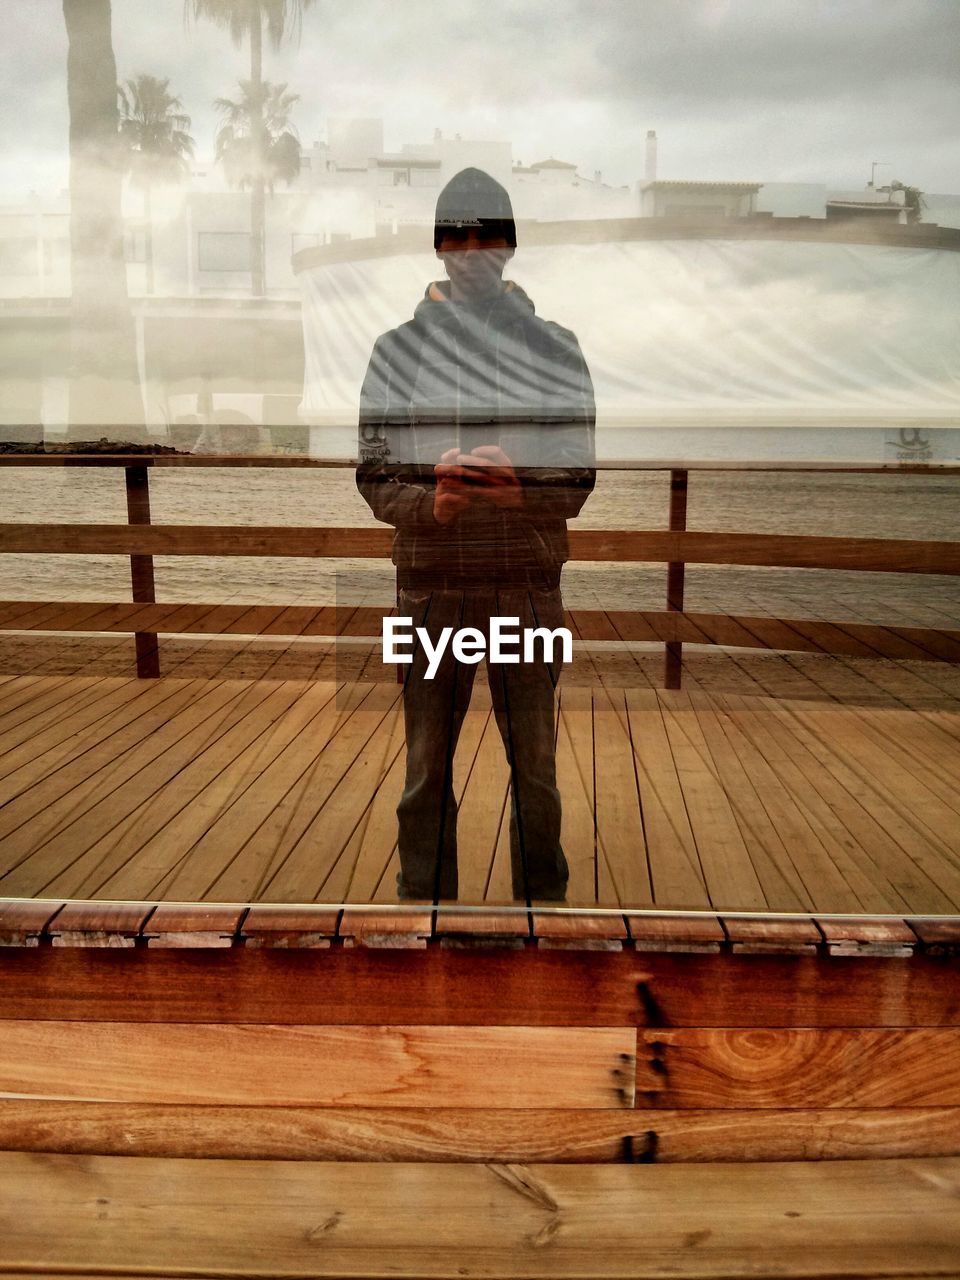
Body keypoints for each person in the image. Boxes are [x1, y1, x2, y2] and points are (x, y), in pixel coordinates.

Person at [357, 167, 595, 903]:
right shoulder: (393, 351)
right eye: (455, 234)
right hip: (429, 589)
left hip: (528, 588)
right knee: (425, 767)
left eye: (486, 233)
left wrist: (521, 492)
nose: (470, 248)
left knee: (538, 770)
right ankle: (421, 908)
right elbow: (371, 475)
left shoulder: (557, 346)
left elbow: (579, 477)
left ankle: (542, 912)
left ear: (510, 244)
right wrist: (435, 506)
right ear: (437, 246)